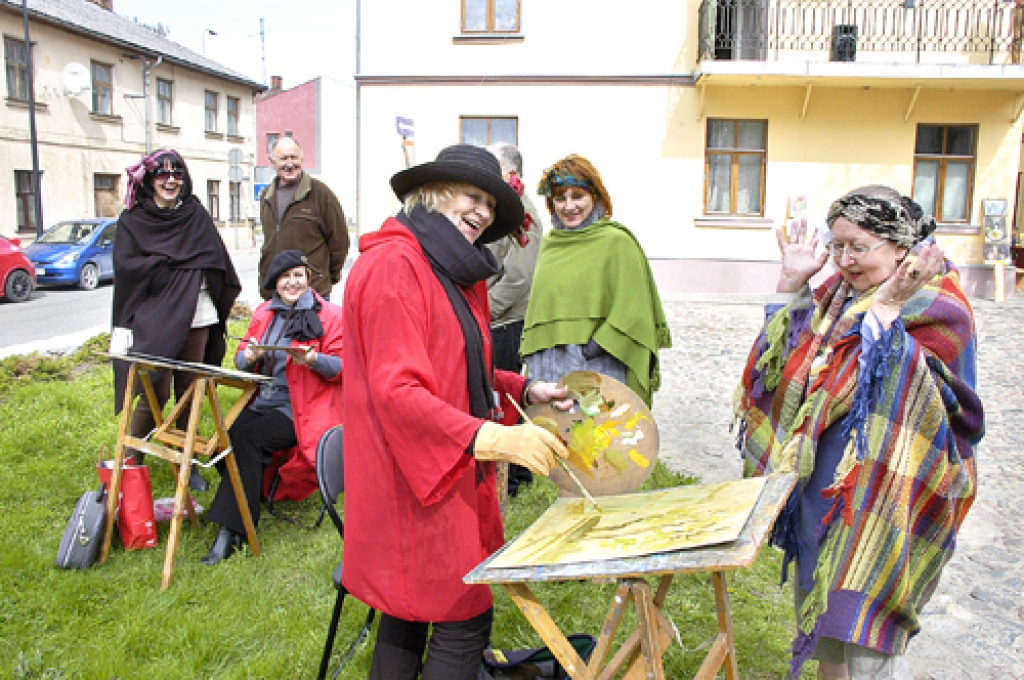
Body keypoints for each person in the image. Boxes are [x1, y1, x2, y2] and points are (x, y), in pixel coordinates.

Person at [734, 185, 984, 680]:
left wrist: (887, 311)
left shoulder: (937, 305)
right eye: (837, 245)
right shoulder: (835, 300)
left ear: (901, 248)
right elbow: (778, 369)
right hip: (826, 490)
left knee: (871, 632)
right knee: (825, 613)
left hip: (890, 492)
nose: (844, 260)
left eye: (859, 247)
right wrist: (791, 284)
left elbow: (902, 393)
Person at [342, 144, 572, 680]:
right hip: (412, 481)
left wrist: (525, 388)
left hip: (442, 468)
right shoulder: (395, 267)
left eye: (492, 206)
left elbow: (460, 360)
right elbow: (399, 391)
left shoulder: (447, 267)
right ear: (435, 192)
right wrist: (496, 439)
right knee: (461, 614)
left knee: (407, 614)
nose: (483, 213)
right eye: (474, 197)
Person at [201, 249, 343, 565]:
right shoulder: (264, 313)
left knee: (247, 440)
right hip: (263, 399)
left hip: (305, 408)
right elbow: (239, 358)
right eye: (285, 277)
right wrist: (248, 357)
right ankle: (248, 498)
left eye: (298, 276)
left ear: (308, 279)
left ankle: (231, 531)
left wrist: (314, 360)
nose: (292, 283)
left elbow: (346, 368)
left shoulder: (331, 316)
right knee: (222, 442)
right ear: (274, 282)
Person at [111, 148, 241, 493]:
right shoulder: (134, 220)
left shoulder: (195, 213)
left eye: (177, 173)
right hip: (156, 317)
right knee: (154, 387)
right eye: (163, 174)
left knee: (188, 389)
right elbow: (126, 268)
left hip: (197, 313)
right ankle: (129, 461)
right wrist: (167, 266)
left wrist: (188, 270)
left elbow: (215, 257)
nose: (171, 180)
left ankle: (185, 457)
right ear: (150, 180)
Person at [520, 154, 671, 408]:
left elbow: (633, 310)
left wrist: (592, 349)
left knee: (598, 442)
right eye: (560, 198)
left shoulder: (616, 242)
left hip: (597, 368)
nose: (569, 206)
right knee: (551, 441)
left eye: (577, 196)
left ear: (595, 197)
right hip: (547, 368)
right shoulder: (550, 244)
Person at [485, 142, 545, 496]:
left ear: (512, 173)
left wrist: (482, 310)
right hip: (495, 319)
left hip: (505, 321)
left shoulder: (522, 210)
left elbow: (520, 276)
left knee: (507, 398)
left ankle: (517, 475)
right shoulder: (498, 205)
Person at [258, 137, 349, 300]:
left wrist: (325, 277)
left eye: (294, 157)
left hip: (312, 292)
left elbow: (339, 242)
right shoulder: (267, 196)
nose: (290, 163)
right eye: (283, 158)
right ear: (272, 161)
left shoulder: (321, 194)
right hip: (275, 291)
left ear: (302, 159)